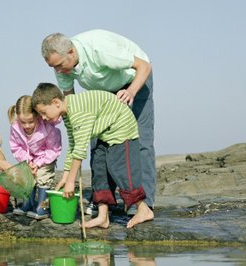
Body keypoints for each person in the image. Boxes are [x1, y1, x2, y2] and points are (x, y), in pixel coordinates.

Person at [41, 29, 156, 213]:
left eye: (60, 65)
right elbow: (71, 105)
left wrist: (131, 92)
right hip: (103, 94)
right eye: (53, 67)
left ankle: (144, 204)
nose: (58, 71)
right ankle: (104, 203)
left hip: (133, 81)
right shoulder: (62, 66)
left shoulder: (100, 50)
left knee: (139, 141)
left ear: (70, 52)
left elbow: (144, 66)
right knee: (97, 144)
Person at [31, 83, 154, 229]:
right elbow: (73, 144)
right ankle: (103, 216)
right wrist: (65, 176)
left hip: (121, 127)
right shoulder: (66, 113)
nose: (43, 118)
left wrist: (71, 181)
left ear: (56, 103)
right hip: (104, 131)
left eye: (44, 113)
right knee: (98, 167)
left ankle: (143, 208)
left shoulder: (77, 111)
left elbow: (80, 149)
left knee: (119, 168)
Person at [8, 95, 62, 220]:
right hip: (28, 160)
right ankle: (28, 204)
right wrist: (27, 161)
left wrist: (38, 163)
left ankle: (43, 207)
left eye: (31, 121)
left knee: (43, 177)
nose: (27, 126)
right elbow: (16, 147)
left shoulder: (48, 129)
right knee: (27, 178)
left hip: (45, 159)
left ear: (38, 116)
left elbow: (53, 149)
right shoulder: (15, 128)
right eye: (23, 122)